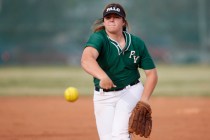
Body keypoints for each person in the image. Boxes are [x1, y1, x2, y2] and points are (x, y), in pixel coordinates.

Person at [81, 3, 158, 140]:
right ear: (104, 21)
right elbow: (86, 59)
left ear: (123, 22)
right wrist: (102, 76)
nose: (111, 19)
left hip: (130, 91)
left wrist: (144, 100)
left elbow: (152, 74)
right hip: (103, 96)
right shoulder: (99, 38)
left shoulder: (136, 43)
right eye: (108, 17)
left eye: (116, 17)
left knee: (120, 135)